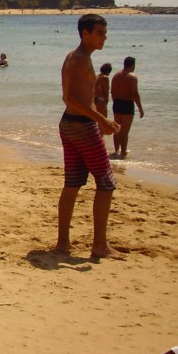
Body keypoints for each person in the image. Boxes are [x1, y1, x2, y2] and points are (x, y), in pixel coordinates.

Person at [55, 14, 122, 260]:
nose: (104, 37)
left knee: (72, 183)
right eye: (99, 33)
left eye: (105, 33)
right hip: (82, 126)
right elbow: (70, 98)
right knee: (105, 183)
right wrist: (100, 119)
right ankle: (99, 245)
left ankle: (63, 243)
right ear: (85, 33)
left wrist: (99, 117)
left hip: (69, 124)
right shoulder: (81, 60)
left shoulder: (74, 56)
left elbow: (77, 98)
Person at [111, 56, 144, 158]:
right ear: (133, 65)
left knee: (117, 128)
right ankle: (123, 152)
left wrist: (115, 101)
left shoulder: (116, 75)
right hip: (127, 104)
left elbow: (112, 91)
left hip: (117, 103)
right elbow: (135, 94)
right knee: (125, 131)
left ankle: (116, 151)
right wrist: (140, 108)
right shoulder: (132, 77)